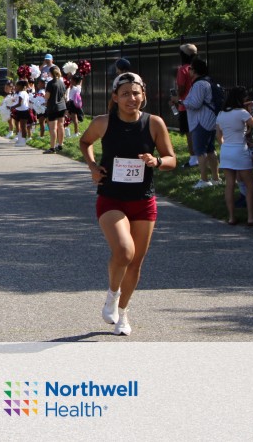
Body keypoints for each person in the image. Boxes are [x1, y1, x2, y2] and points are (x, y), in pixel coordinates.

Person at [79, 72, 176, 336]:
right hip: (111, 198)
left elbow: (171, 159)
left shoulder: (154, 123)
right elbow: (85, 142)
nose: (131, 98)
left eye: (136, 93)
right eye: (125, 94)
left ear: (143, 95)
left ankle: (122, 313)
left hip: (143, 201)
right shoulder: (103, 122)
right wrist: (92, 167)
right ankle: (112, 294)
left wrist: (157, 162)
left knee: (135, 263)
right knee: (124, 251)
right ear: (115, 97)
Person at [215, 86, 253, 225]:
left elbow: (218, 135)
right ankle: (251, 217)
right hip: (240, 149)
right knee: (249, 185)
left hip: (226, 150)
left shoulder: (221, 113)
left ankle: (231, 217)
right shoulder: (242, 112)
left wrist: (225, 146)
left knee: (230, 185)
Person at [180, 58, 221, 188]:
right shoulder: (208, 81)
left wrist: (181, 102)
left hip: (201, 121)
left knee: (200, 151)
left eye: (190, 68)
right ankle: (216, 178)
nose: (189, 71)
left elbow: (195, 104)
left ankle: (204, 180)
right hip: (210, 120)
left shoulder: (199, 84)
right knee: (210, 150)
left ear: (195, 70)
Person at [170, 43, 198, 167]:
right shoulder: (197, 68)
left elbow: (181, 89)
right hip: (197, 104)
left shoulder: (183, 69)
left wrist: (175, 98)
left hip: (185, 106)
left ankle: (193, 158)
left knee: (189, 132)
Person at [43, 67, 67, 153]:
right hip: (62, 107)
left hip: (53, 107)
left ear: (51, 73)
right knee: (61, 126)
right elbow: (64, 95)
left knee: (53, 128)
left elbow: (47, 95)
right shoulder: (61, 82)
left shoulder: (50, 83)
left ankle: (52, 148)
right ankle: (60, 145)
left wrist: (44, 100)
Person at [66, 73, 84, 138]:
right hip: (74, 104)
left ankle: (76, 132)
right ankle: (75, 132)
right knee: (71, 117)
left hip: (72, 104)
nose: (70, 81)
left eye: (72, 80)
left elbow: (68, 84)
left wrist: (69, 75)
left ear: (74, 81)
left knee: (74, 118)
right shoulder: (79, 87)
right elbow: (80, 81)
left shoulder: (73, 87)